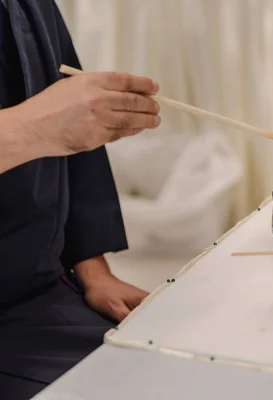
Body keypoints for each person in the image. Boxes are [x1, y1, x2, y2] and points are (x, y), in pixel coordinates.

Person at [0, 1, 162, 399]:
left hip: (34, 293)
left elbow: (63, 104)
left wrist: (92, 269)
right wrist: (28, 129)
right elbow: (45, 120)